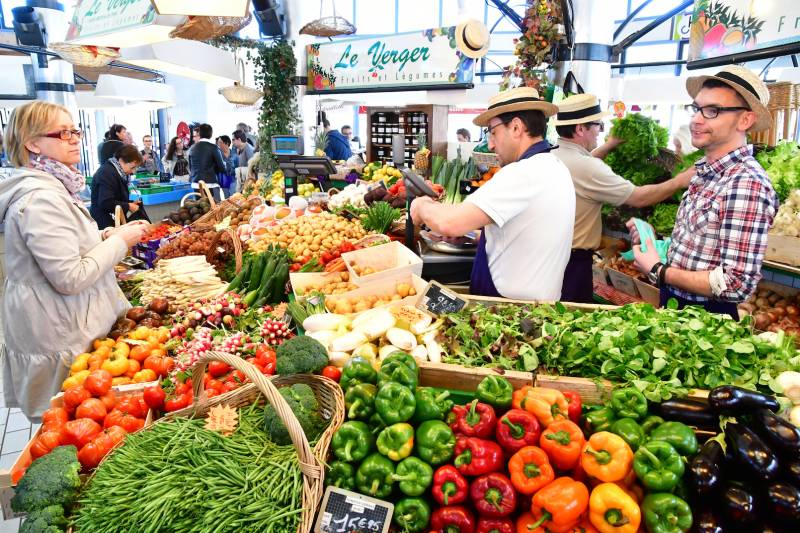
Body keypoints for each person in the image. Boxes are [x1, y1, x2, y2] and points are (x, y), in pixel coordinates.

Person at [0, 101, 148, 419]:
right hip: (56, 324)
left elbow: (66, 250)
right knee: (66, 420)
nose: (74, 138)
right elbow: (69, 277)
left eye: (75, 130)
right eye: (63, 132)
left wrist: (103, 237)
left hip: (61, 317)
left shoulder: (55, 187)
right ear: (32, 143)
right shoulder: (40, 199)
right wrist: (120, 242)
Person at [629, 65, 778, 318]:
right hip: (677, 307)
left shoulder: (745, 183)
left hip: (707, 321)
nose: (696, 119)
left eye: (713, 111)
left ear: (745, 120)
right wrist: (652, 240)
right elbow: (701, 251)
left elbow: (735, 284)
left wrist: (658, 269)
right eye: (697, 109)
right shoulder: (703, 173)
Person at [410, 87, 575, 301]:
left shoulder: (523, 173)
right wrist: (477, 236)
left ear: (516, 127)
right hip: (533, 305)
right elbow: (528, 234)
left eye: (493, 131)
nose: (490, 143)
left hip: (510, 310)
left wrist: (421, 206)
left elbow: (449, 222)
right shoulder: (554, 167)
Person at [552, 93, 693, 303]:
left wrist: (609, 145)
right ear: (581, 129)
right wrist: (679, 181)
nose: (601, 130)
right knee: (572, 314)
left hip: (554, 255)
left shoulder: (553, 154)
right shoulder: (588, 167)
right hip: (573, 262)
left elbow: (584, 162)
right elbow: (638, 197)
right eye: (598, 125)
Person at [90, 144, 148, 230]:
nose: (133, 172)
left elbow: (116, 196)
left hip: (112, 218)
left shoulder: (117, 172)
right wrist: (128, 206)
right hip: (104, 223)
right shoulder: (107, 173)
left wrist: (130, 203)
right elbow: (106, 202)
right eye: (132, 167)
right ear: (121, 160)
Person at [188, 123, 225, 201]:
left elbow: (190, 167)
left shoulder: (192, 148)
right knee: (212, 208)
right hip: (210, 183)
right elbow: (222, 167)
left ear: (199, 134)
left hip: (195, 183)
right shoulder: (214, 147)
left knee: (199, 208)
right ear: (211, 134)